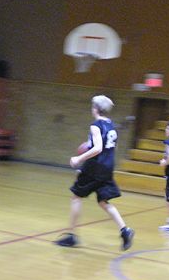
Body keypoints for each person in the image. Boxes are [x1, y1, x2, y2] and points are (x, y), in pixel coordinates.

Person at [55, 95, 135, 250]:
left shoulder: (96, 125)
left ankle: (72, 236)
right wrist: (90, 146)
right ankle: (125, 231)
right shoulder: (111, 125)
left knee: (76, 197)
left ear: (96, 109)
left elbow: (98, 148)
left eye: (93, 106)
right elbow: (110, 147)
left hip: (95, 167)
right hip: (107, 166)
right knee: (103, 202)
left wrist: (79, 159)